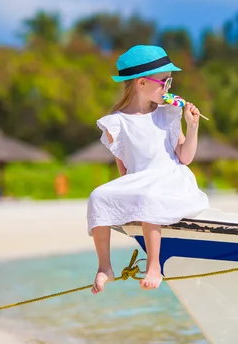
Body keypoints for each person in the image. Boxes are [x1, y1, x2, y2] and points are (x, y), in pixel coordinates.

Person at [87, 45, 210, 293]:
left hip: (171, 177)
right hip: (139, 180)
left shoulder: (169, 114)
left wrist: (192, 126)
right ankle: (104, 267)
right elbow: (124, 170)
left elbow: (184, 158)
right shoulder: (117, 123)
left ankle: (154, 266)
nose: (169, 87)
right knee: (97, 196)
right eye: (165, 81)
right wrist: (128, 195)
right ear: (142, 84)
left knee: (149, 196)